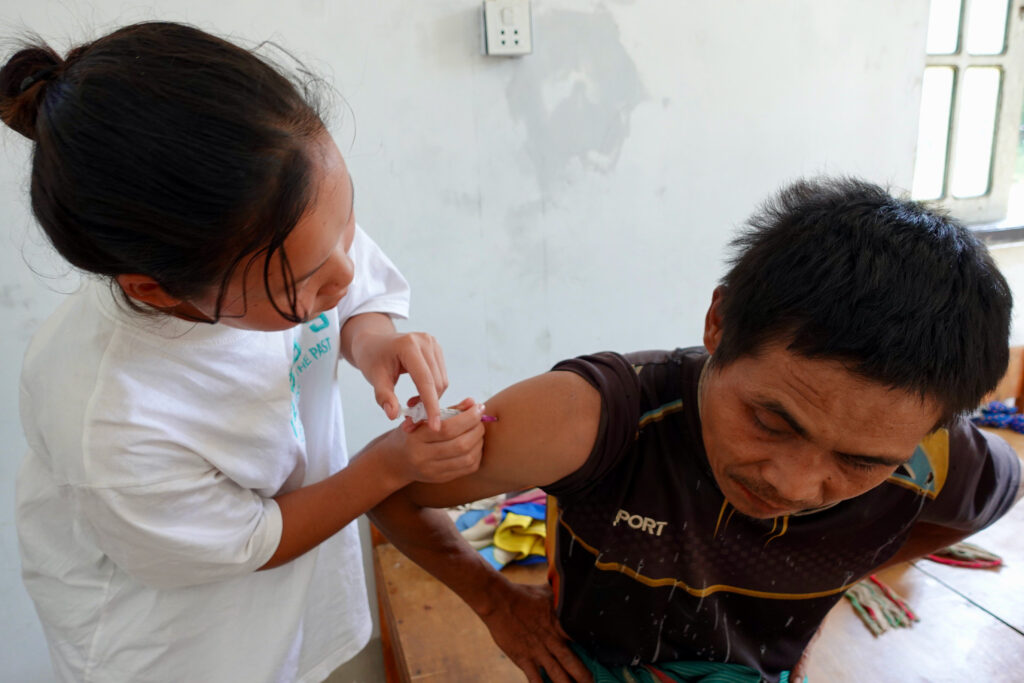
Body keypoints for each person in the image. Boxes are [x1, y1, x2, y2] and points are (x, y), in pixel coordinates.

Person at [370, 178, 1023, 683]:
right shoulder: (590, 420)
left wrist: (853, 557)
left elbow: (998, 491)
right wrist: (496, 603)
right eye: (770, 420)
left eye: (858, 460)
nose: (791, 483)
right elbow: (386, 488)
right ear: (718, 321)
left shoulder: (937, 458)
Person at [1, 22, 486, 683]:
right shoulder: (111, 416)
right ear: (158, 289)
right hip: (182, 651)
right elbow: (253, 538)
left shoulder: (288, 220)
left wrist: (372, 339)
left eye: (345, 223)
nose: (342, 273)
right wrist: (390, 465)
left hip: (287, 610)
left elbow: (351, 284)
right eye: (306, 283)